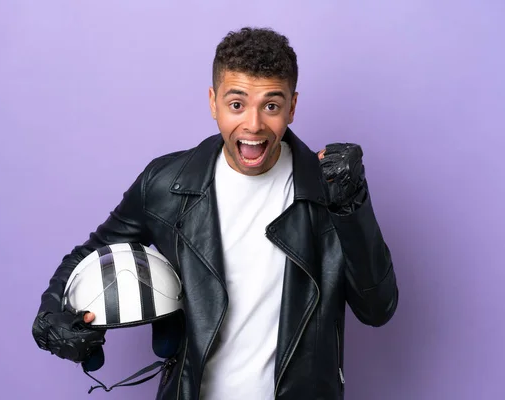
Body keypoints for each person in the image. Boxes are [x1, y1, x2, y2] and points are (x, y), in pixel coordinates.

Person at [32, 26, 399, 400]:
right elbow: (89, 255)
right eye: (236, 104)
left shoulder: (329, 188)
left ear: (292, 106)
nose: (253, 125)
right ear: (213, 102)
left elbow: (378, 307)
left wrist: (352, 205)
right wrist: (51, 316)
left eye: (271, 106)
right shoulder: (166, 184)